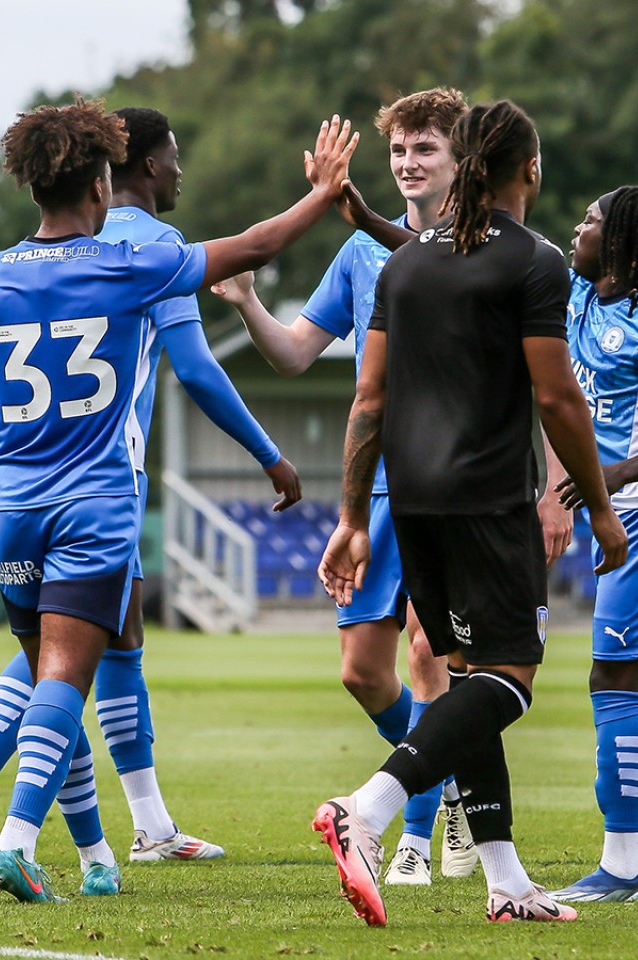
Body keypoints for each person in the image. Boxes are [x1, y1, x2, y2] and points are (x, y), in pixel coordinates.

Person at [0, 96, 358, 902]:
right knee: (64, 680)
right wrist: (324, 193)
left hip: (15, 504)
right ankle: (19, 839)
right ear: (101, 184)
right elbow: (257, 245)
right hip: (94, 502)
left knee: (43, 675)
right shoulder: (129, 264)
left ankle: (91, 851)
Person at [0, 106, 302, 879]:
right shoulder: (155, 247)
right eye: (175, 155)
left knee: (113, 647)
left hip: (29, 471)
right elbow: (194, 366)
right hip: (101, 478)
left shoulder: (20, 264)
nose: (180, 169)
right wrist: (269, 454)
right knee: (66, 657)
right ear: (141, 168)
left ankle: (135, 831)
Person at [313, 99, 627, 927]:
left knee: (460, 678)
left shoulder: (407, 263)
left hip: (408, 500)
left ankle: (506, 880)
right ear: (531, 169)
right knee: (508, 683)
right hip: (488, 501)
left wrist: (352, 516)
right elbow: (558, 398)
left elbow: (368, 399)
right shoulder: (537, 261)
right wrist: (599, 508)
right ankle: (369, 810)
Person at [215, 88, 473, 885]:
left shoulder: (479, 244)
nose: (408, 161)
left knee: (433, 655)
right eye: (399, 149)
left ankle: (409, 840)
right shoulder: (359, 255)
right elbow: (294, 355)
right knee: (364, 671)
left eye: (425, 148)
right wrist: (249, 299)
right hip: (376, 489)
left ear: (461, 158)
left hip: (455, 482)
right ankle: (451, 773)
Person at [544, 186, 638, 903]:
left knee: (613, 677)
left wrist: (612, 473)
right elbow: (463, 260)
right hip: (614, 517)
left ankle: (624, 864)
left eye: (593, 221)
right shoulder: (571, 291)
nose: (579, 228)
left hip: (635, 514)